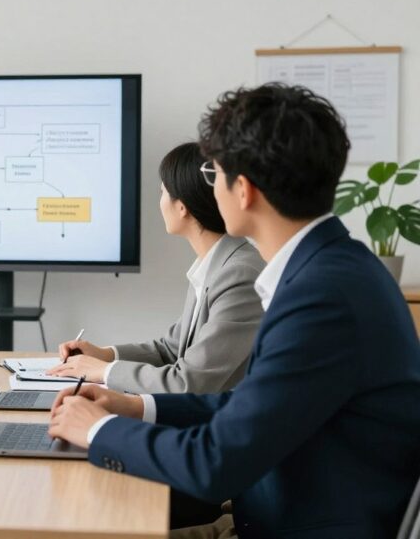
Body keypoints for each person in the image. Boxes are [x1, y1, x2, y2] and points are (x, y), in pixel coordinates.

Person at [47, 84, 420, 538]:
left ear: (242, 190)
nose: (209, 185)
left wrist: (99, 430)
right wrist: (135, 406)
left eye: (212, 171)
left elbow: (214, 463)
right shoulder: (335, 268)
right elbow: (250, 406)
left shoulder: (321, 297)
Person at [47, 142, 264, 393]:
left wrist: (102, 371)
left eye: (162, 192)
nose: (160, 201)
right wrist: (105, 355)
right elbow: (170, 350)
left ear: (182, 207)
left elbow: (188, 381)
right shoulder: (213, 266)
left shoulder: (238, 274)